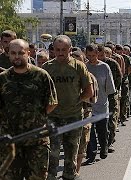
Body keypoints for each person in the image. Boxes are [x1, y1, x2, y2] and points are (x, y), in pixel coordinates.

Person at [0, 39, 58, 179]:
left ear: (28, 53)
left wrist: (36, 118)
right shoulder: (3, 79)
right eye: (13, 53)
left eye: (21, 53)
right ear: (9, 55)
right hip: (10, 143)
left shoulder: (41, 76)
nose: (17, 56)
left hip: (36, 142)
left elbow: (52, 103)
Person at [43, 35, 93, 180]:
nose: (60, 53)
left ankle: (69, 176)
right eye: (57, 49)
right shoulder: (47, 67)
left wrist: (77, 100)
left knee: (71, 154)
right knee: (52, 153)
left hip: (74, 116)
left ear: (70, 49)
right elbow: (41, 91)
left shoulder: (78, 66)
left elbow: (89, 91)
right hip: (53, 117)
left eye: (64, 50)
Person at [84, 44, 115, 164]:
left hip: (102, 103)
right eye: (89, 55)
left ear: (98, 54)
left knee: (102, 130)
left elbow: (109, 87)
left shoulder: (105, 67)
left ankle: (104, 148)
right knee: (90, 132)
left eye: (94, 55)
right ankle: (91, 154)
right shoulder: (84, 67)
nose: (91, 58)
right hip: (89, 105)